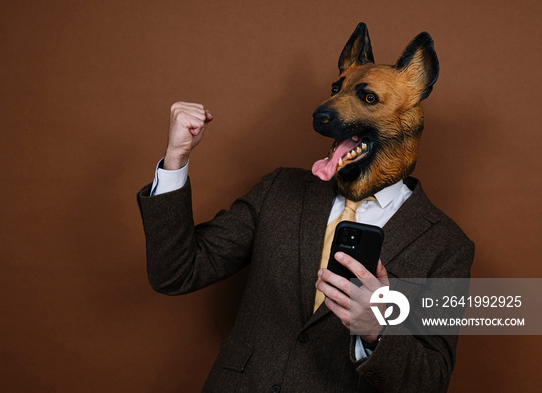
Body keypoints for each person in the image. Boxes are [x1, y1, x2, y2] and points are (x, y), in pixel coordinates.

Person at [136, 24, 474, 392]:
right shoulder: (279, 191)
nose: (332, 106)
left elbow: (431, 380)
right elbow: (176, 273)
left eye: (369, 98)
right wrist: (176, 159)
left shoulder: (445, 246)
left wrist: (377, 331)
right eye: (338, 90)